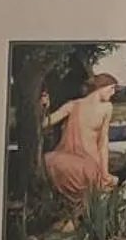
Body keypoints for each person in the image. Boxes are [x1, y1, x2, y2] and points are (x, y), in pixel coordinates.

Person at [43, 73, 120, 205]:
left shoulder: (106, 107)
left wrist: (104, 172)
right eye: (111, 88)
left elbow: (103, 142)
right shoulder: (74, 105)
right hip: (79, 162)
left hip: (88, 163)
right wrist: (45, 106)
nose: (113, 93)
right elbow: (45, 123)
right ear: (101, 87)